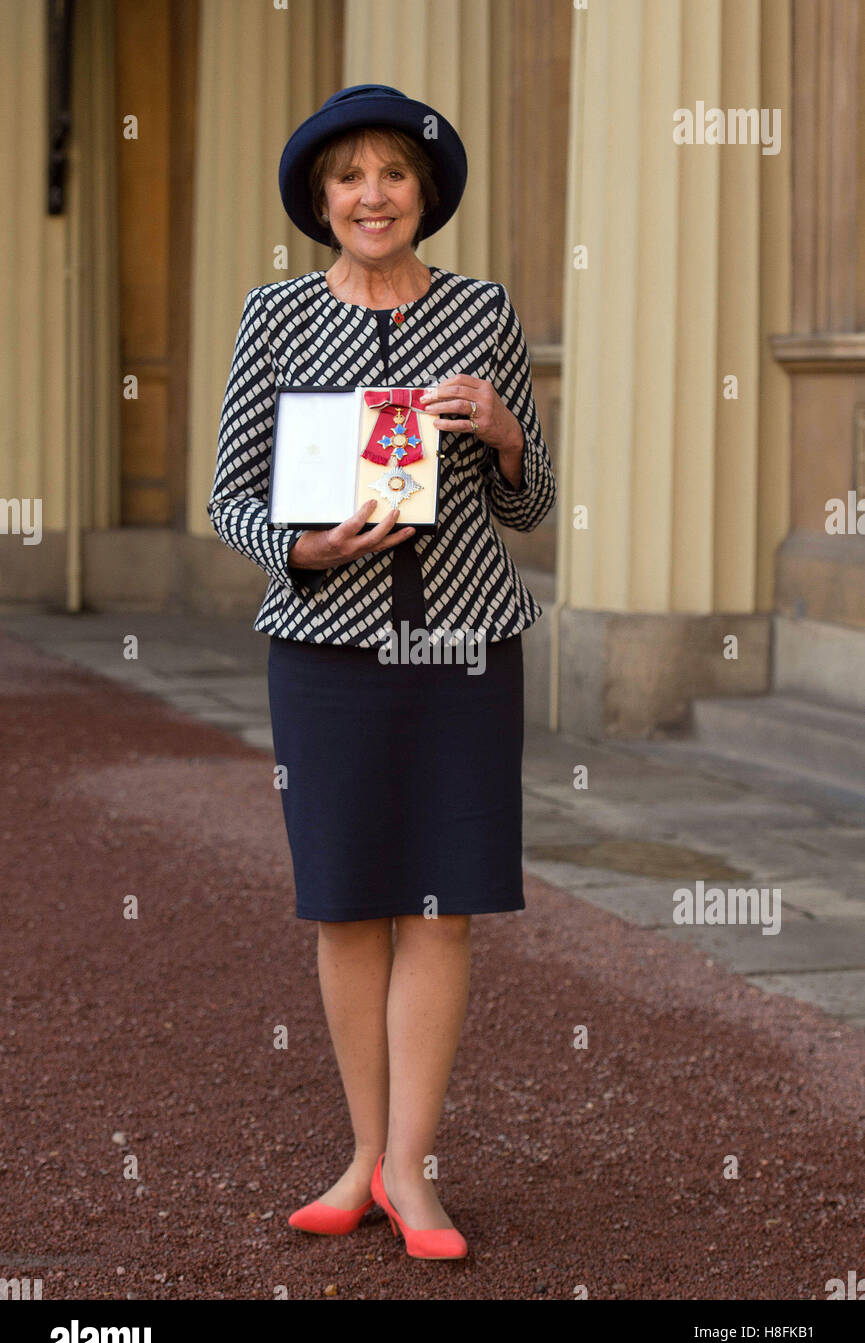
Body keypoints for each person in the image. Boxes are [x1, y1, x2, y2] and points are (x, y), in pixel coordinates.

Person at [207, 84, 557, 1260]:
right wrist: (299, 549)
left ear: (424, 195)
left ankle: (412, 1169)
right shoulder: (273, 317)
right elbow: (230, 496)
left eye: (393, 175)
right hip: (324, 650)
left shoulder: (483, 310)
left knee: (443, 905)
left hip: (463, 645)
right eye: (348, 176)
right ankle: (362, 1156)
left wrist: (509, 432)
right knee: (348, 902)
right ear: (320, 198)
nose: (371, 194)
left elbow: (529, 503)